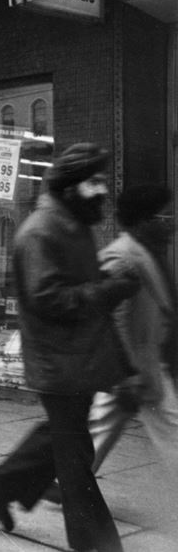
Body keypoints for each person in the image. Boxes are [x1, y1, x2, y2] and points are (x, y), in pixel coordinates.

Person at [0, 142, 139, 552]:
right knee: (75, 457)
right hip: (59, 361)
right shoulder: (40, 231)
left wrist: (104, 278)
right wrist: (111, 289)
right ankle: (101, 546)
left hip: (79, 358)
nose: (102, 190)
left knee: (65, 440)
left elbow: (71, 283)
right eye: (94, 182)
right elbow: (49, 298)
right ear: (69, 187)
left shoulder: (72, 223)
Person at [87, 185, 178, 478]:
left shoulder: (147, 252)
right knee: (171, 428)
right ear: (143, 221)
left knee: (104, 424)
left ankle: (65, 479)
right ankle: (65, 478)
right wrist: (129, 371)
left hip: (145, 360)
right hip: (133, 364)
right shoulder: (122, 256)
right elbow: (113, 318)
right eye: (164, 217)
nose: (171, 223)